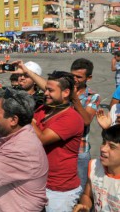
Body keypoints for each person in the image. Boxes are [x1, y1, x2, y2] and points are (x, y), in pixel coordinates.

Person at [31, 70, 84, 211]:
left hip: (60, 191)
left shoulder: (71, 118)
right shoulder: (44, 109)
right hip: (38, 183)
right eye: (45, 89)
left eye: (50, 90)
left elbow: (41, 138)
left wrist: (27, 116)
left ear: (66, 93)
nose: (45, 93)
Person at [73, 125, 120, 212]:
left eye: (112, 146)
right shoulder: (95, 165)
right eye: (103, 142)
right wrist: (85, 206)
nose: (103, 149)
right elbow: (87, 195)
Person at [70, 58, 100, 190]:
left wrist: (74, 98)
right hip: (60, 147)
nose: (74, 79)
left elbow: (86, 120)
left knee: (80, 188)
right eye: (72, 76)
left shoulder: (93, 96)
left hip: (80, 150)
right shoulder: (63, 90)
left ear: (89, 78)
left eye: (79, 77)